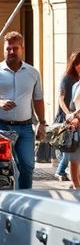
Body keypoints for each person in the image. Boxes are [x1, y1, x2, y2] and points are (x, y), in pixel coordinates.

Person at [0, 31, 46, 190]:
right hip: (0, 127)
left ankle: (25, 196)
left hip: (25, 128)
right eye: (8, 49)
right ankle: (5, 197)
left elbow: (38, 100)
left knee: (27, 165)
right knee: (3, 167)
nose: (11, 52)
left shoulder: (32, 73)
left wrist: (42, 123)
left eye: (15, 48)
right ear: (4, 50)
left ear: (22, 49)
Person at [55, 52, 80, 181]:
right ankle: (61, 171)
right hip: (67, 117)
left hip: (77, 117)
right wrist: (68, 114)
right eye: (77, 63)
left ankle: (64, 172)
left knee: (72, 147)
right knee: (70, 146)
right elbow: (61, 98)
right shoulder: (67, 78)